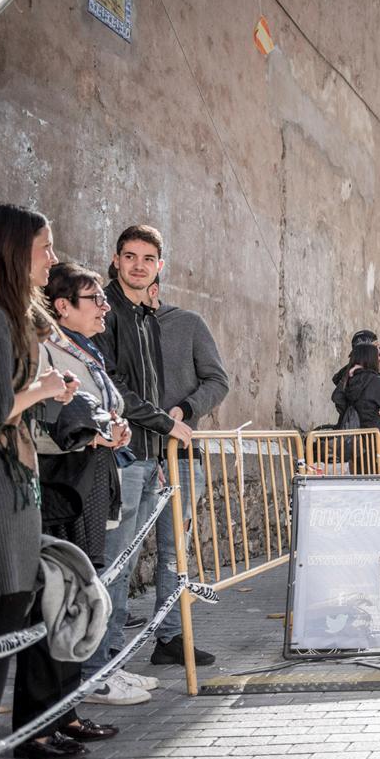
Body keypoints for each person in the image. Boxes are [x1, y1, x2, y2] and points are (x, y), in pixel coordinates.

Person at [16, 262, 135, 759]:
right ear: (63, 305)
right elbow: (36, 423)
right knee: (52, 604)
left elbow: (98, 409)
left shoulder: (87, 351)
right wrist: (91, 433)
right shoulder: (45, 347)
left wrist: (115, 429)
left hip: (86, 483)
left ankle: (65, 713)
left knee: (78, 599)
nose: (105, 306)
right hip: (59, 485)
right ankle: (36, 728)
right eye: (95, 299)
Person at [0, 203, 75, 759]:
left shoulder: (8, 317)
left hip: (11, 488)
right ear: (14, 250)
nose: (51, 259)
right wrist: (42, 388)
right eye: (43, 248)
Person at [91, 225, 195, 688]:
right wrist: (166, 423)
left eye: (147, 258)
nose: (137, 264)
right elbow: (114, 388)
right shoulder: (108, 314)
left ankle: (114, 664)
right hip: (124, 459)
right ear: (116, 261)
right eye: (129, 256)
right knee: (117, 565)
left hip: (151, 458)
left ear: (159, 266)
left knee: (130, 565)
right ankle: (103, 667)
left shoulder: (145, 318)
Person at [147, 276, 228, 667]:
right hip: (128, 455)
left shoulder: (187, 323)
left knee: (172, 553)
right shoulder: (110, 322)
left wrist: (187, 408)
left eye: (147, 264)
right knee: (117, 556)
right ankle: (107, 653)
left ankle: (170, 638)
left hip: (179, 454)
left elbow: (218, 380)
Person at [331, 342, 380, 459]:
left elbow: (337, 399)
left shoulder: (349, 381)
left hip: (355, 443)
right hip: (379, 441)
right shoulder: (376, 381)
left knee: (361, 476)